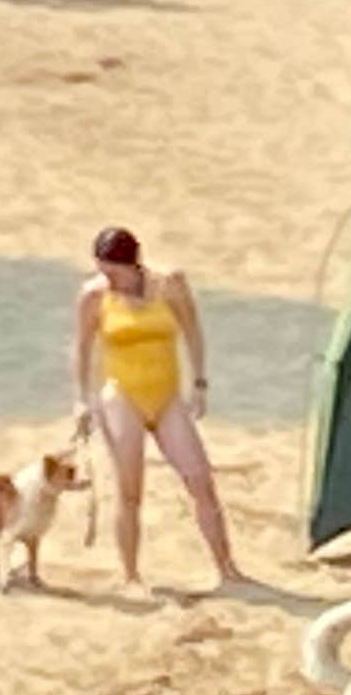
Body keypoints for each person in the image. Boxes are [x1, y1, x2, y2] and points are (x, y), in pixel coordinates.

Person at [69, 225, 244, 590]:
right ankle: (131, 575)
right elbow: (83, 348)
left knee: (200, 480)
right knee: (129, 490)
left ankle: (227, 569)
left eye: (111, 271)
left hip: (165, 395)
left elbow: (193, 332)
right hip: (122, 395)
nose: (106, 278)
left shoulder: (169, 284)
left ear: (132, 264)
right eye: (101, 270)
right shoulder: (94, 296)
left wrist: (199, 384)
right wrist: (82, 400)